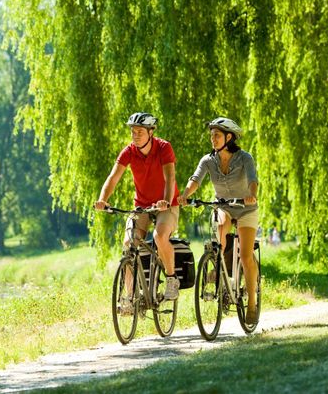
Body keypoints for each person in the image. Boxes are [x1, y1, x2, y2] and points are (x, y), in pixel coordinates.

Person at [178, 117, 260, 324]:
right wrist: (185, 195)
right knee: (221, 229)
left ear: (229, 137)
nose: (212, 139)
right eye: (211, 136)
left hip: (246, 208)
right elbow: (195, 179)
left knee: (247, 256)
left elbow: (253, 180)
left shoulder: (244, 158)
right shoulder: (208, 160)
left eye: (217, 135)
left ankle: (252, 302)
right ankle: (217, 267)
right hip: (223, 205)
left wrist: (251, 194)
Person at [94, 112, 181, 301]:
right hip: (142, 205)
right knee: (128, 244)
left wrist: (165, 201)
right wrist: (102, 199)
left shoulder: (164, 148)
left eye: (140, 131)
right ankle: (130, 296)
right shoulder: (129, 151)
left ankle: (171, 278)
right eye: (133, 131)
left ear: (151, 132)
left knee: (159, 236)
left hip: (167, 204)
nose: (135, 135)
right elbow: (113, 177)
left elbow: (170, 178)